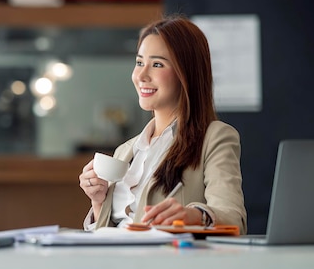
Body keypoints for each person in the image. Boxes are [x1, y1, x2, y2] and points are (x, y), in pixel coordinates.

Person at [79, 14, 247, 234]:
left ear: (186, 73)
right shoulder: (125, 151)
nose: (141, 75)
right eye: (139, 62)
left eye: (157, 64)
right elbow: (109, 233)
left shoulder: (215, 138)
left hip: (165, 263)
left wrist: (195, 216)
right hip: (115, 263)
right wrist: (98, 201)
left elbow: (233, 218)